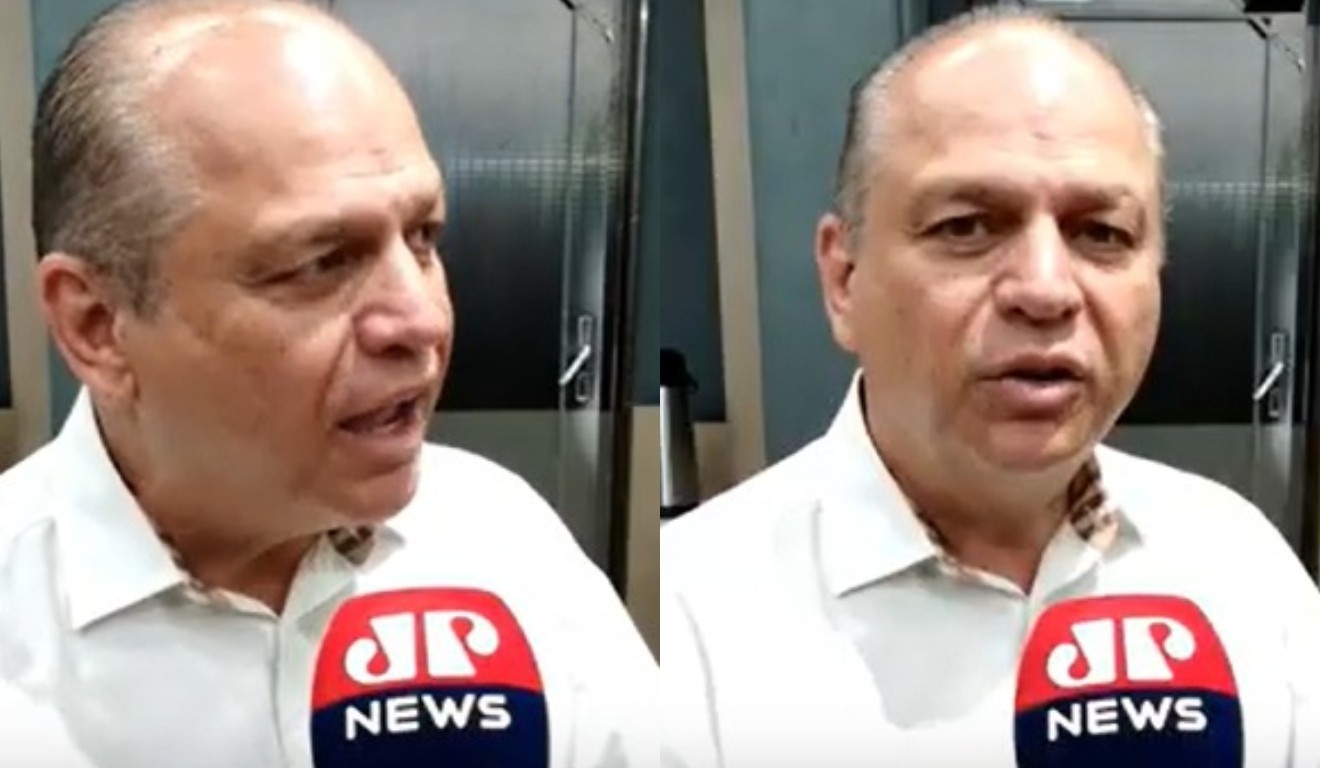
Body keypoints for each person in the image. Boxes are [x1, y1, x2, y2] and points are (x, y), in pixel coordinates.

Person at [0, 1, 656, 766]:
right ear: (96, 325)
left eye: (423, 237)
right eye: (321, 263)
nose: (422, 320)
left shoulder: (505, 535)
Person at [661, 7, 1320, 768]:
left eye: (1101, 233)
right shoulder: (686, 623)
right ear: (844, 279)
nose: (1045, 290)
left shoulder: (1239, 562)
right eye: (968, 226)